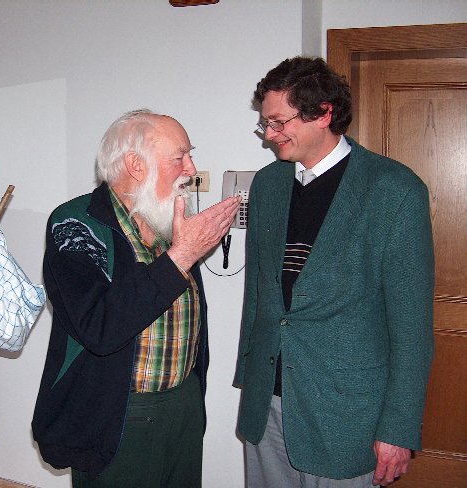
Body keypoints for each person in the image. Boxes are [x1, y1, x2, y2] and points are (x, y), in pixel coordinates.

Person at [234, 57, 434, 487]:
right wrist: (247, 375)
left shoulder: (394, 191)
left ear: (323, 113)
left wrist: (398, 429)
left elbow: (412, 327)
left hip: (346, 411)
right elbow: (258, 292)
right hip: (267, 400)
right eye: (265, 124)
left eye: (278, 122)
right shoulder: (268, 185)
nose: (269, 135)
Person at [32, 109, 240, 487]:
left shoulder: (165, 217)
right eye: (180, 157)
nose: (191, 169)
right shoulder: (75, 224)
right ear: (136, 165)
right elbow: (99, 327)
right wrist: (182, 255)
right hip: (120, 412)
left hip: (183, 403)